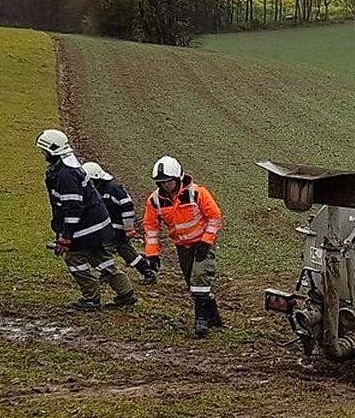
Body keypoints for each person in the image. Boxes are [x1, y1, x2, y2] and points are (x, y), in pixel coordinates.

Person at [35, 129, 137, 310]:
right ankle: (126, 293)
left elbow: (72, 208)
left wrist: (66, 237)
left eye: (44, 152)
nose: (43, 155)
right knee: (102, 259)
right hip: (98, 226)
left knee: (74, 260)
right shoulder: (70, 168)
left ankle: (91, 298)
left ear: (51, 151)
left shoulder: (64, 175)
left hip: (87, 228)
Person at [142, 156, 224, 337]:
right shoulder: (155, 201)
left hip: (202, 243)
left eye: (168, 182)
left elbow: (214, 217)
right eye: (161, 183)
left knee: (199, 278)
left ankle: (201, 322)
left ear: (177, 178)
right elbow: (151, 227)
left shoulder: (198, 193)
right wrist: (152, 254)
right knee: (192, 284)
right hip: (182, 246)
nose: (165, 186)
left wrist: (206, 241)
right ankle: (213, 317)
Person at [81, 162, 157, 285]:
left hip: (115, 230)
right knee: (126, 252)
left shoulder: (113, 189)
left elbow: (127, 206)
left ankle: (107, 273)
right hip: (110, 229)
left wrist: (128, 228)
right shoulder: (98, 190)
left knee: (104, 251)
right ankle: (147, 271)